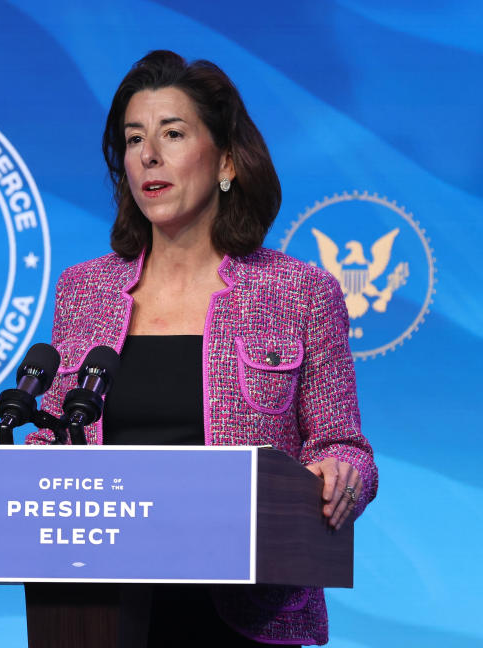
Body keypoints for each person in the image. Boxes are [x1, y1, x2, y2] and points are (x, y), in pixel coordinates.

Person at [25, 50, 377, 646]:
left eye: (172, 133)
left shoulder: (298, 291)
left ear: (227, 162)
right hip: (96, 610)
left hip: (245, 614)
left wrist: (342, 473)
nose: (148, 155)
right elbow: (56, 436)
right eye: (133, 139)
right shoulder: (86, 290)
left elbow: (344, 446)